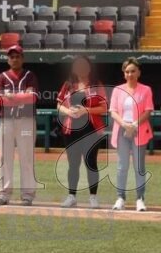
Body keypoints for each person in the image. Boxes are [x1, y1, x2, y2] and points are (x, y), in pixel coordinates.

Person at [56, 55, 107, 209]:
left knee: (91, 163)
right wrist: (68, 111)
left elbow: (104, 108)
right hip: (71, 129)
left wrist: (86, 110)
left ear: (89, 67)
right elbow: (59, 105)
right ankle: (71, 196)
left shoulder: (96, 85)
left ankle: (93, 197)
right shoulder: (68, 85)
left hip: (91, 129)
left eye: (84, 65)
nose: (81, 68)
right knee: (73, 164)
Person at [0, 44, 39, 206]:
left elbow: (32, 97)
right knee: (4, 157)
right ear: (8, 60)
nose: (14, 59)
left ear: (22, 58)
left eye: (17, 56)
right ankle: (3, 193)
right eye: (11, 57)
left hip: (26, 121)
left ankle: (27, 194)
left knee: (26, 156)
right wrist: (21, 96)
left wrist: (11, 97)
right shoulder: (2, 76)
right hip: (7, 121)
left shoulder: (30, 75)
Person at [109, 57, 153, 212]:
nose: (130, 74)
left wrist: (133, 125)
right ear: (124, 73)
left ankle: (140, 199)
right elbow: (113, 111)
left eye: (133, 71)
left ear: (138, 72)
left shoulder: (146, 90)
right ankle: (120, 198)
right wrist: (125, 125)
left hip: (138, 130)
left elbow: (148, 111)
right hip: (122, 130)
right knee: (122, 166)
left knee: (139, 166)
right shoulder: (117, 90)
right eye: (127, 71)